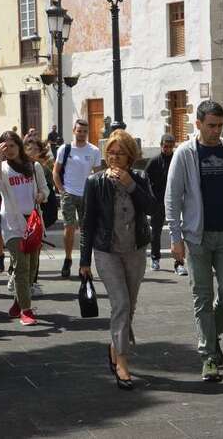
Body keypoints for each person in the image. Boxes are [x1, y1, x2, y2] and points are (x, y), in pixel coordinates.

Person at [165, 100, 223, 382]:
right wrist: (175, 238)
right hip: (196, 236)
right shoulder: (184, 153)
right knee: (201, 296)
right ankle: (209, 357)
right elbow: (172, 197)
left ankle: (211, 336)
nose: (216, 131)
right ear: (198, 123)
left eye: (219, 125)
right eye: (211, 125)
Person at [80, 130, 157, 390]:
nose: (114, 157)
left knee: (129, 306)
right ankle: (123, 363)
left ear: (130, 156)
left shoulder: (141, 178)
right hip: (106, 251)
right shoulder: (95, 182)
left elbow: (152, 209)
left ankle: (115, 345)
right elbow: (87, 223)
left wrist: (131, 185)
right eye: (110, 153)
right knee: (121, 304)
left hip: (135, 250)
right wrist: (84, 261)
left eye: (120, 153)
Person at [0, 132, 48, 326]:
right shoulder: (1, 169)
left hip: (33, 223)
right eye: (4, 147)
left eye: (12, 146)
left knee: (31, 269)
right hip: (12, 224)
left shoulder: (33, 166)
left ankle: (18, 301)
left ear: (19, 146)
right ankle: (26, 310)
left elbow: (45, 190)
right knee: (21, 266)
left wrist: (41, 195)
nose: (9, 150)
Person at [53, 119, 101, 278]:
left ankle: (84, 263)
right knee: (69, 226)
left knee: (86, 230)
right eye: (79, 131)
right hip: (69, 193)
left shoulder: (93, 150)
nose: (82, 134)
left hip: (86, 194)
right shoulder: (65, 149)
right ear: (74, 131)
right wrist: (62, 190)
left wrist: (96, 193)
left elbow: (98, 174)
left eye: (84, 131)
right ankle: (67, 259)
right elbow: (55, 171)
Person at [144, 134, 186, 275]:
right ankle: (155, 258)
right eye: (165, 146)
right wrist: (150, 198)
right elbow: (145, 180)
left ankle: (179, 263)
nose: (167, 149)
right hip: (158, 202)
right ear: (161, 145)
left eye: (170, 146)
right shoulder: (154, 161)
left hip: (175, 201)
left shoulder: (177, 160)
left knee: (177, 232)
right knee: (155, 231)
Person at [25, 138, 56, 296]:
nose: (32, 152)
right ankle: (20, 279)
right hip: (22, 214)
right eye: (29, 149)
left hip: (39, 211)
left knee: (34, 247)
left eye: (35, 149)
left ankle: (32, 281)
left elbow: (48, 191)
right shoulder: (16, 167)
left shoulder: (41, 168)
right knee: (24, 249)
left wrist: (42, 195)